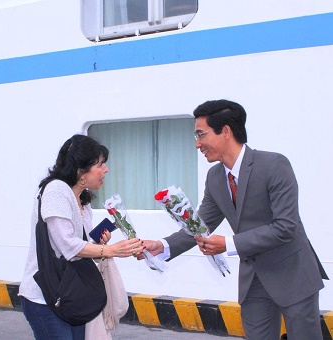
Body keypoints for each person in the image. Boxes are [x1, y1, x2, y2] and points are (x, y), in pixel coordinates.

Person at [140, 99, 328, 339]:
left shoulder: (274, 165)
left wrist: (228, 244)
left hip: (293, 275)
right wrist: (163, 246)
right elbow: (200, 224)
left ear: (226, 131)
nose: (197, 144)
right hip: (254, 281)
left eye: (201, 135)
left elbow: (285, 227)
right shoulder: (215, 177)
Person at [19, 134, 143, 340]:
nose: (106, 170)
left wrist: (98, 245)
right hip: (46, 298)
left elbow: (77, 249)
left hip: (71, 295)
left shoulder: (82, 200)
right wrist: (111, 250)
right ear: (80, 170)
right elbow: (67, 245)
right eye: (100, 164)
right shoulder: (56, 190)